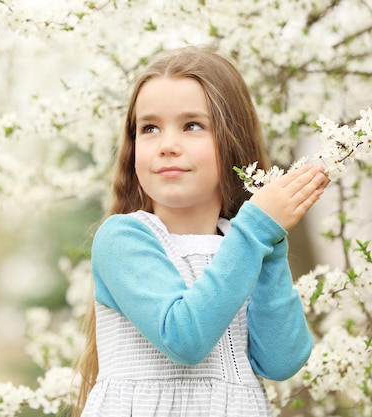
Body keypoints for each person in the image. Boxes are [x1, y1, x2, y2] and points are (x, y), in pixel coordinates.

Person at [73, 46, 330, 417]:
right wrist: (256, 230)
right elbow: (184, 337)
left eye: (192, 125)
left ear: (232, 141)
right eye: (149, 128)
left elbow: (281, 360)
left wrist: (270, 243)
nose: (167, 146)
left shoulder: (245, 241)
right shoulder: (124, 238)